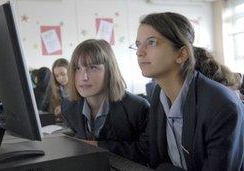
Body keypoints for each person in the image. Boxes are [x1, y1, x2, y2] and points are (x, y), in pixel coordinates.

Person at [135, 12, 244, 170]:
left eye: (152, 42)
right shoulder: (159, 94)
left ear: (181, 54)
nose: (139, 52)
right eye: (138, 44)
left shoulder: (222, 106)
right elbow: (155, 161)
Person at [61, 39, 149, 165]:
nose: (83, 77)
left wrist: (98, 146)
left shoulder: (137, 108)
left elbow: (147, 152)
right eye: (77, 68)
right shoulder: (68, 107)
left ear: (109, 71)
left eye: (93, 67)